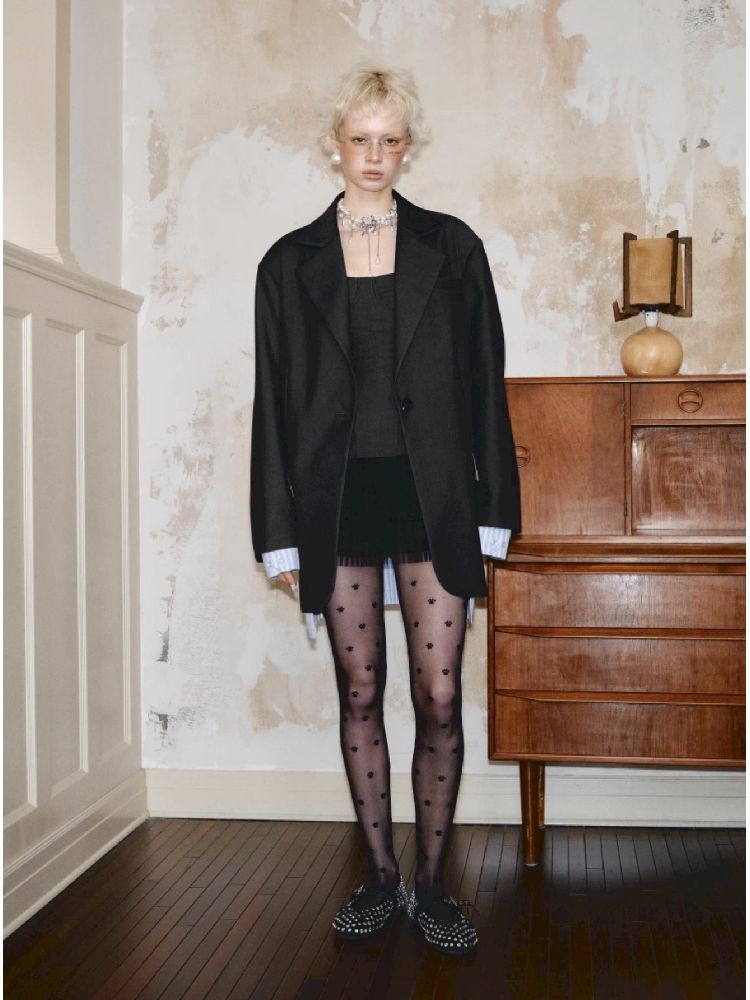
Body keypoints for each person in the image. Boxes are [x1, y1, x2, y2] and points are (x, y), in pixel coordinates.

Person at [250, 65, 521, 956]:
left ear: (410, 147)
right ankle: (379, 878)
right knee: (359, 690)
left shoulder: (454, 248)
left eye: (391, 140)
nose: (374, 156)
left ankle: (433, 888)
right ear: (335, 144)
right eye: (360, 139)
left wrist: (494, 503)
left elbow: (485, 380)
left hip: (432, 495)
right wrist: (276, 531)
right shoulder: (287, 264)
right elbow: (273, 404)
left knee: (439, 695)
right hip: (335, 502)